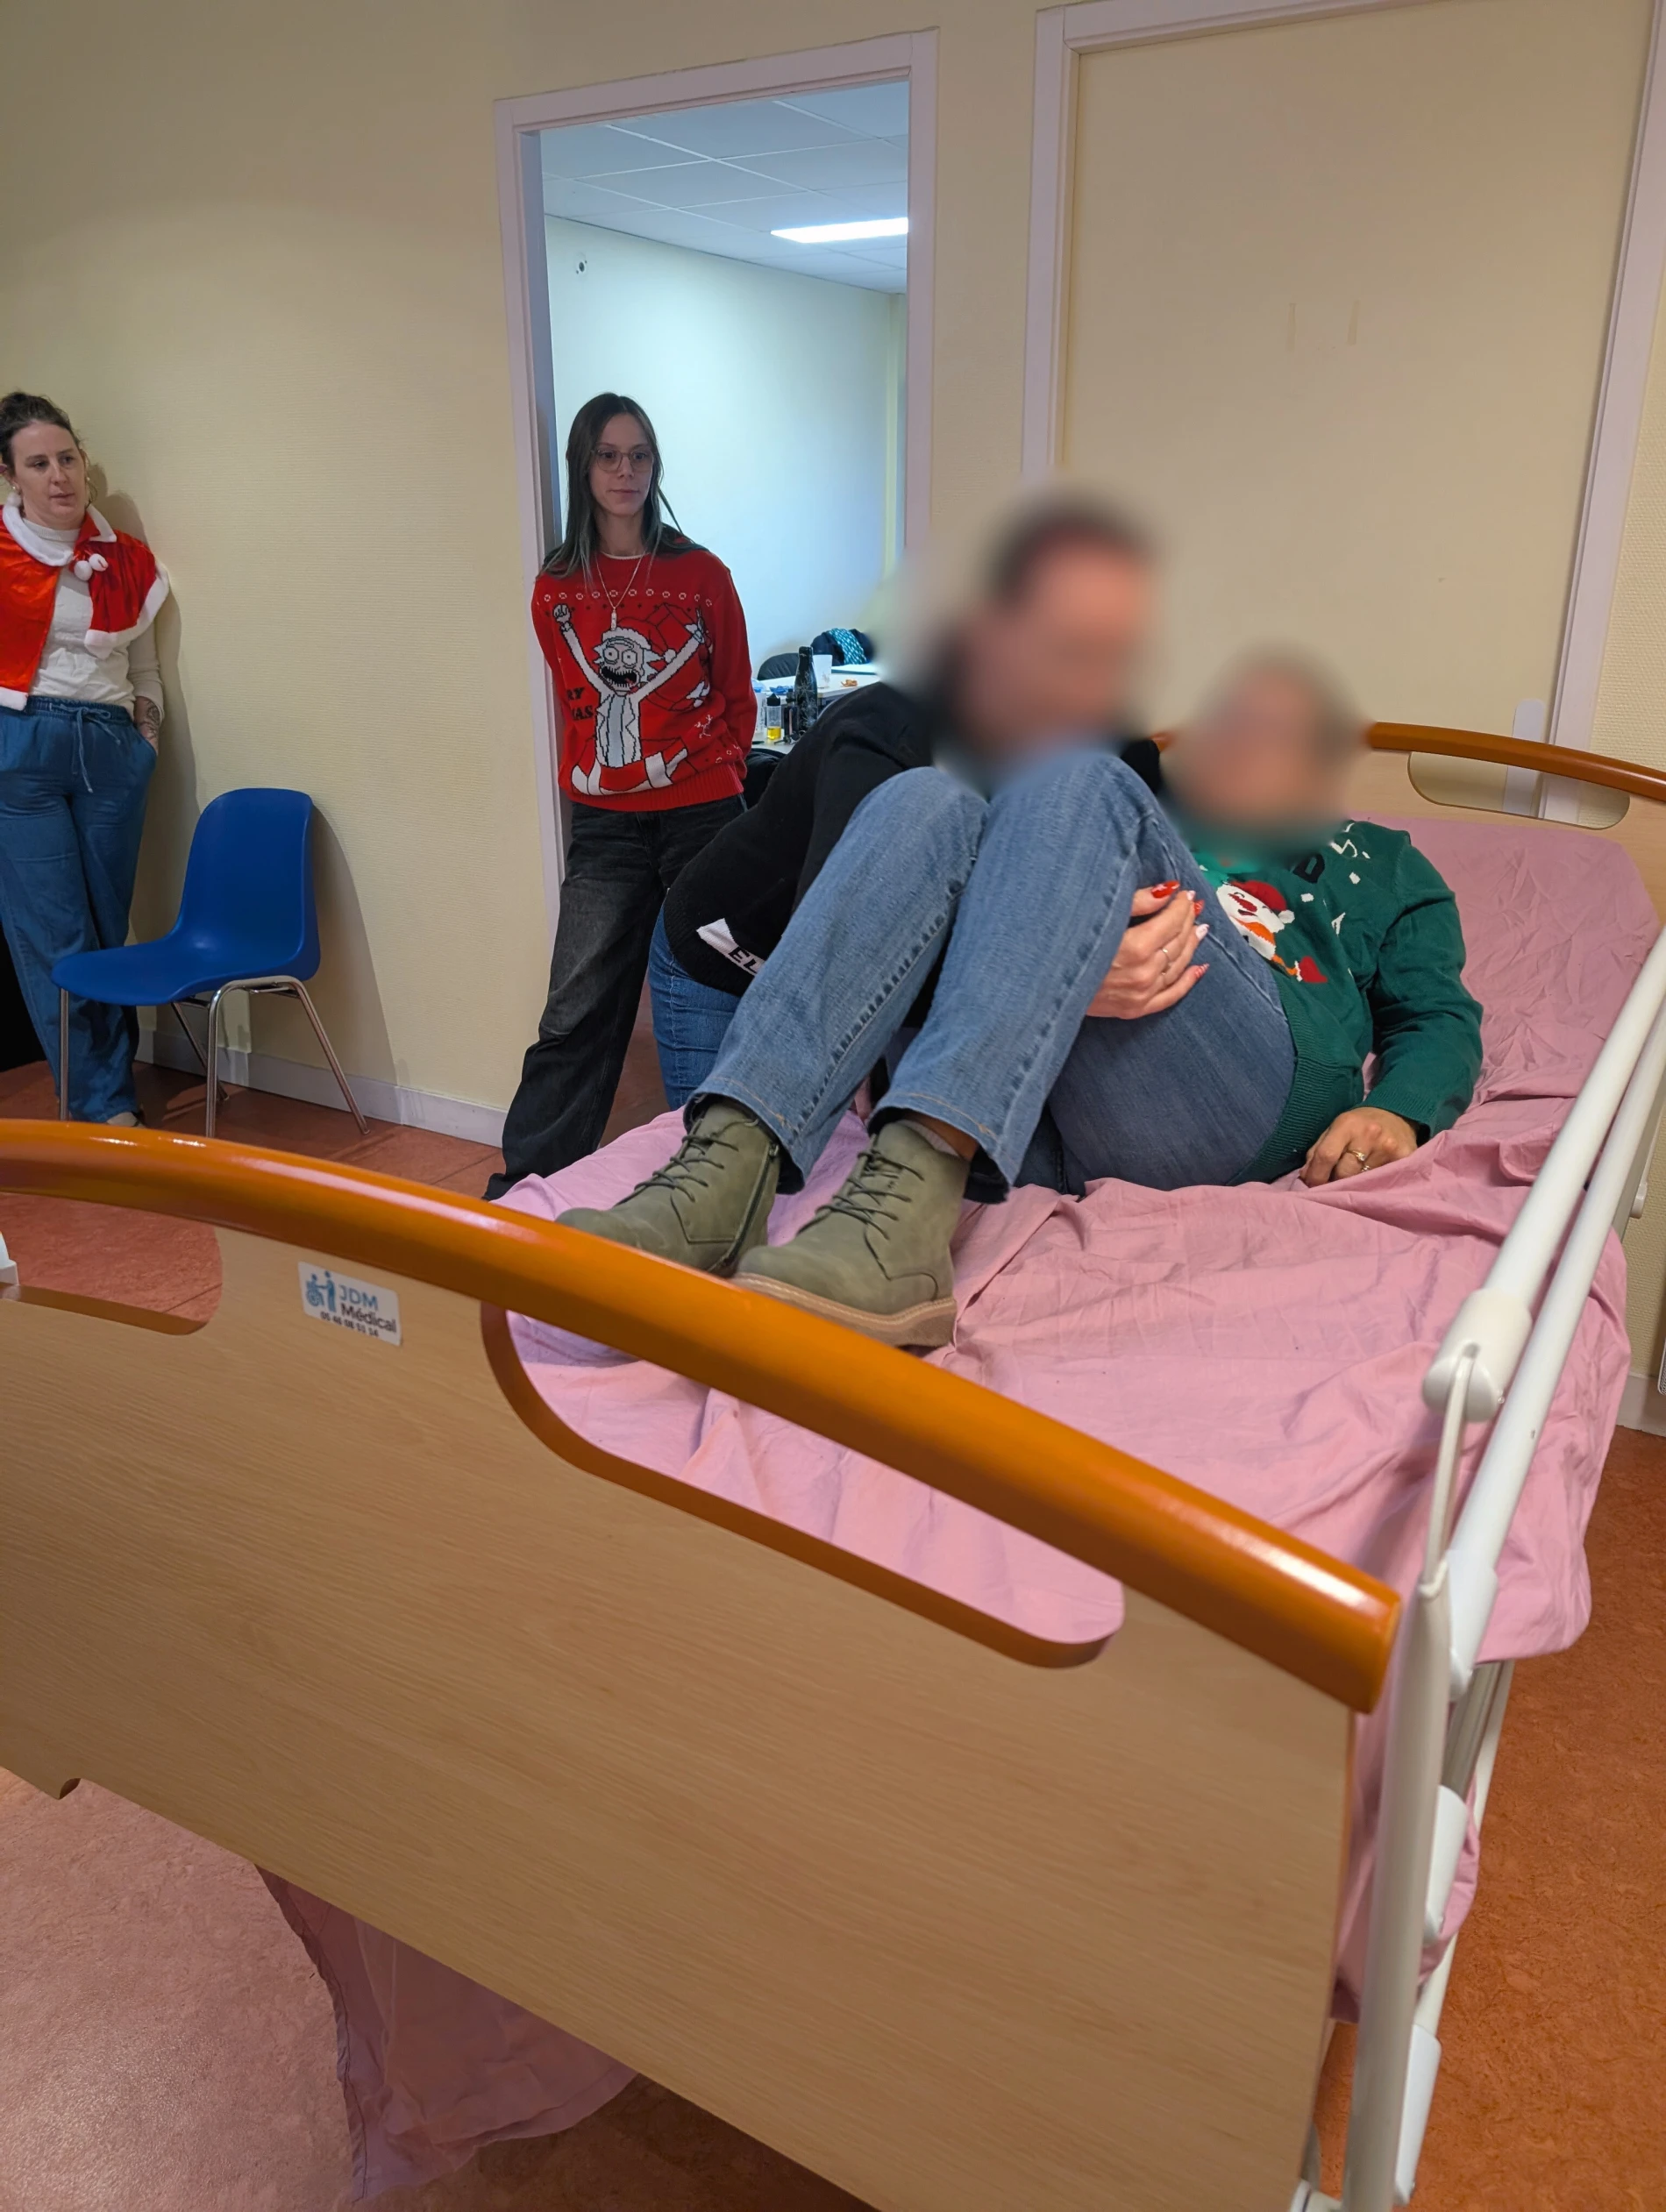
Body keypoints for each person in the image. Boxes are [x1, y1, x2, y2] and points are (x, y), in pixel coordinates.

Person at [559, 654, 1483, 1348]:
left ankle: (914, 1176)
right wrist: (1076, 973)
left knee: (1078, 775)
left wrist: (1398, 1108)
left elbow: (1435, 1013)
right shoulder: (1160, 814)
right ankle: (730, 1169)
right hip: (1036, 1107)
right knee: (927, 800)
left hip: (1241, 1081)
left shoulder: (1384, 862)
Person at [649, 498, 1164, 1106]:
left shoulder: (1117, 757)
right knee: (724, 1142)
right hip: (723, 955)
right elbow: (840, 958)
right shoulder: (882, 737)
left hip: (863, 963)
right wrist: (1058, 980)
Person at [487, 394, 753, 1198]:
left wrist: (718, 771)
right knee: (576, 1005)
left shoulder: (702, 576)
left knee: (728, 988)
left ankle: (735, 1170)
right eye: (608, 455)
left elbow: (735, 694)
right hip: (607, 825)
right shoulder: (556, 589)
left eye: (639, 455)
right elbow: (578, 697)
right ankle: (529, 1185)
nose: (625, 470)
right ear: (584, 467)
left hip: (704, 816)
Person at [0, 392, 167, 1126]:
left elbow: (145, 667)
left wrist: (146, 740)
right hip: (21, 742)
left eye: (67, 458)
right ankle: (103, 1102)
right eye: (38, 463)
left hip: (110, 744)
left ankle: (108, 1081)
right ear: (12, 477)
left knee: (105, 925)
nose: (59, 475)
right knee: (53, 932)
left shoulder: (125, 558)